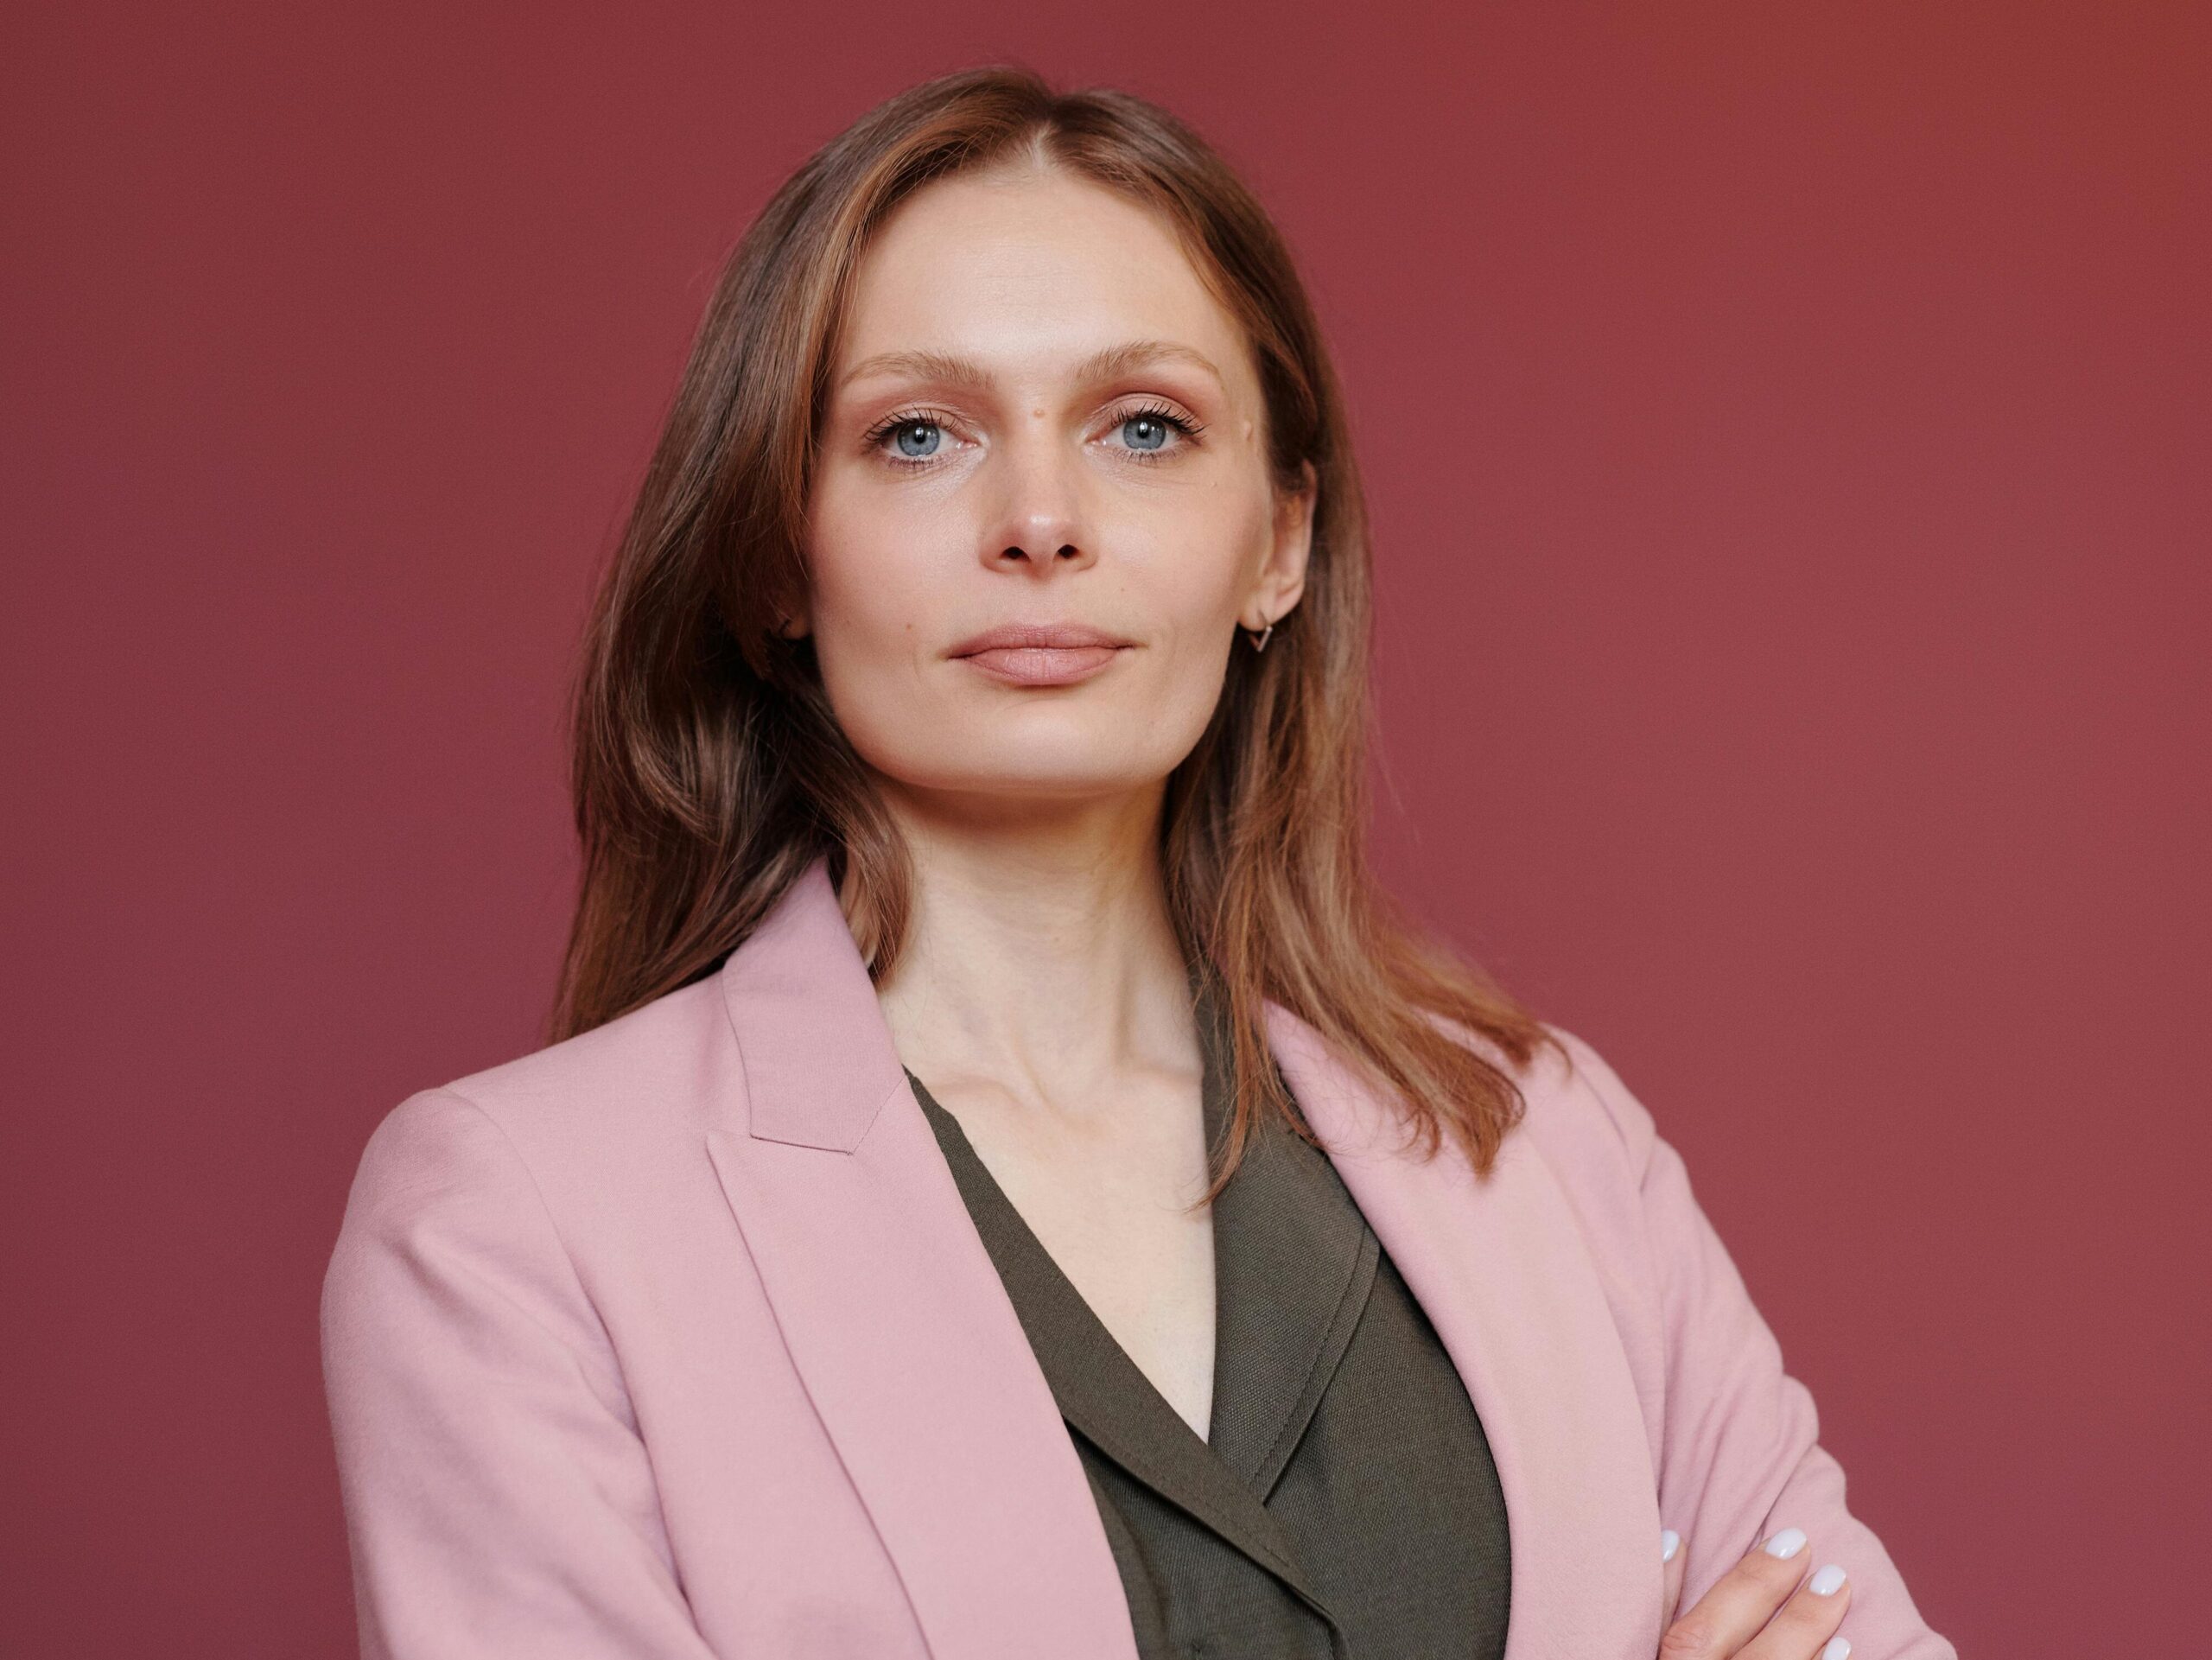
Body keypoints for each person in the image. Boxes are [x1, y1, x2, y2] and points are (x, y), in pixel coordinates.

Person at [320, 67, 1955, 1660]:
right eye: (918, 436)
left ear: (1281, 541)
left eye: (1147, 426)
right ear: (775, 558)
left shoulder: (1548, 1144)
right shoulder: (514, 1226)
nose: (1042, 518)